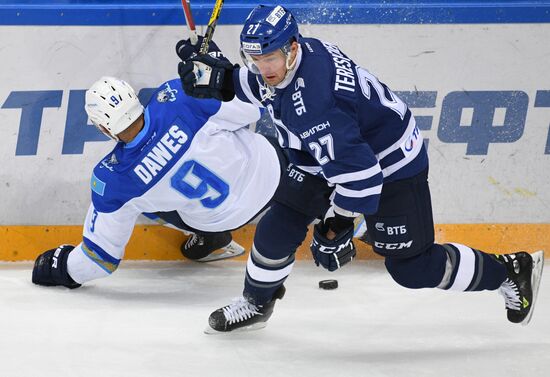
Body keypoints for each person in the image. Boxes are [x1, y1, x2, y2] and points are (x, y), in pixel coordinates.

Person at [178, 4, 545, 332]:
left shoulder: (317, 105)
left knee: (412, 268)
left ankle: (509, 270)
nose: (262, 69)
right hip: (335, 157)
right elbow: (266, 87)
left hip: (389, 165)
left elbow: (363, 178)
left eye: (268, 59)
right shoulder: (298, 56)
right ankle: (257, 303)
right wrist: (222, 79)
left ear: (291, 49)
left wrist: (336, 228)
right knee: (278, 226)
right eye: (253, 59)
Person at [32, 39, 334, 293]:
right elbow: (259, 99)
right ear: (135, 97)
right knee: (277, 115)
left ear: (102, 128)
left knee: (142, 202)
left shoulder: (114, 181)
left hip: (220, 220)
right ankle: (343, 204)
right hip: (273, 173)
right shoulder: (178, 99)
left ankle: (213, 239)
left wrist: (60, 269)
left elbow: (99, 261)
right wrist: (222, 75)